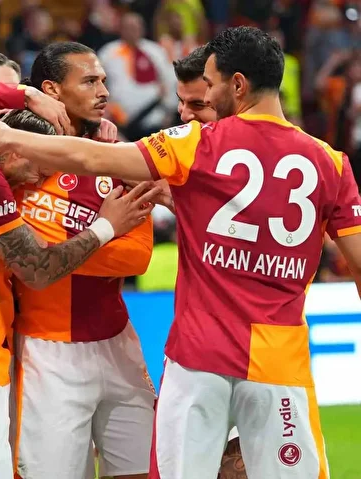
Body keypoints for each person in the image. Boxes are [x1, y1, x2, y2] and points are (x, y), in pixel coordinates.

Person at [0, 26, 361, 479]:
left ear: (237, 85)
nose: (204, 98)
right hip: (280, 360)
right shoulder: (332, 162)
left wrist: (10, 138)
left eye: (210, 85)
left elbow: (93, 159)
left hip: (199, 357)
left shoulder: (195, 143)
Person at [0, 84, 159, 476]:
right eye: (39, 166)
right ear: (14, 145)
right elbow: (37, 269)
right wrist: (107, 226)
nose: (39, 178)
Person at [13, 41, 156, 479]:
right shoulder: (19, 161)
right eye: (90, 81)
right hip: (47, 351)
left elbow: (136, 257)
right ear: (51, 90)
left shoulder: (121, 158)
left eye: (104, 81)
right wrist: (107, 227)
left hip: (118, 342)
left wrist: (60, 249)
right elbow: (30, 260)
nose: (104, 91)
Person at [173, 46, 247, 479]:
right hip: (198, 351)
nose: (185, 115)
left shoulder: (276, 164)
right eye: (180, 103)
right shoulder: (178, 154)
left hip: (259, 355)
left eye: (197, 104)